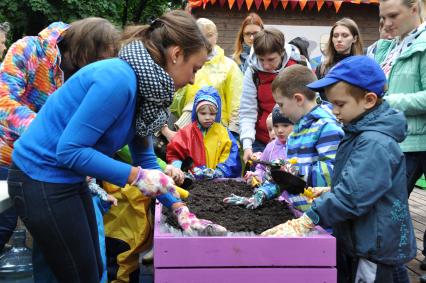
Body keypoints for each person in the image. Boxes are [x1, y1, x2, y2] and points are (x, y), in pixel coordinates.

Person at [7, 10, 225, 282]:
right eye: (195, 69)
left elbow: (145, 157)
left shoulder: (146, 90)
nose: (193, 80)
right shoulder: (118, 79)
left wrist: (179, 209)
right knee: (81, 275)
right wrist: (136, 177)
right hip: (39, 178)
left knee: (93, 269)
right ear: (177, 54)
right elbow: (71, 151)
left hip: (66, 179)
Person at [262, 55, 416, 283]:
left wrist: (308, 219)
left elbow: (353, 195)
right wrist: (331, 189)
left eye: (340, 104)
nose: (333, 111)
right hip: (366, 241)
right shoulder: (359, 132)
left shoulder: (374, 142)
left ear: (369, 100)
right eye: (332, 103)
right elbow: (363, 183)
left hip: (375, 249)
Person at [0, 18, 121, 282]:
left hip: (54, 175)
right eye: (99, 60)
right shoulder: (29, 50)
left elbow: (78, 139)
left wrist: (93, 182)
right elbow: (3, 101)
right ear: (83, 50)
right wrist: (45, 132)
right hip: (8, 160)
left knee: (55, 255)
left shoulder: (85, 73)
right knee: (3, 228)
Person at [375, 0, 426, 281]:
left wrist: (390, 101)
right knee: (393, 209)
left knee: (392, 209)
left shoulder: (423, 45)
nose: (387, 24)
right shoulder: (395, 44)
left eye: (393, 15)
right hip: (398, 139)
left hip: (417, 141)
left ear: (415, 8)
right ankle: (396, 265)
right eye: (383, 18)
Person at [166, 17, 243, 141]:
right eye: (201, 35)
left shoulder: (229, 66)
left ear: (216, 36)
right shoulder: (187, 62)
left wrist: (233, 132)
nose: (206, 39)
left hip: (218, 131)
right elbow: (177, 99)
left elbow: (237, 101)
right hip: (189, 128)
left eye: (210, 35)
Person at [271, 64, 344, 187]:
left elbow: (333, 173)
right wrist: (266, 192)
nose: (281, 111)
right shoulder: (295, 131)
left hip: (319, 205)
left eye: (281, 104)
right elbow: (290, 183)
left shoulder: (326, 128)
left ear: (298, 99)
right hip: (295, 205)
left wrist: (293, 173)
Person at [239, 27, 304, 163]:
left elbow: (307, 105)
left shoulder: (298, 66)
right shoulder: (253, 73)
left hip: (295, 141)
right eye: (261, 59)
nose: (266, 65)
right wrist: (247, 146)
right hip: (262, 141)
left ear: (281, 52)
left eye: (271, 59)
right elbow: (247, 111)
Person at [224, 106, 293, 209]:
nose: (279, 130)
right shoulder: (271, 147)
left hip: (295, 201)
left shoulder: (300, 148)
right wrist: (257, 176)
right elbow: (262, 168)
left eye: (285, 125)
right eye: (276, 126)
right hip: (273, 199)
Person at [167, 86, 241, 179]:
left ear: (217, 114)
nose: (207, 117)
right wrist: (177, 168)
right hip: (191, 183)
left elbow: (231, 155)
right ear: (195, 112)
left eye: (212, 114)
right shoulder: (186, 133)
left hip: (217, 183)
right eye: (203, 113)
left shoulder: (224, 133)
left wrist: (219, 171)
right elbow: (175, 153)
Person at [316, 18, 364, 100]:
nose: (339, 39)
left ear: (354, 38)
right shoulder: (322, 68)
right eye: (335, 36)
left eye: (345, 35)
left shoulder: (362, 67)